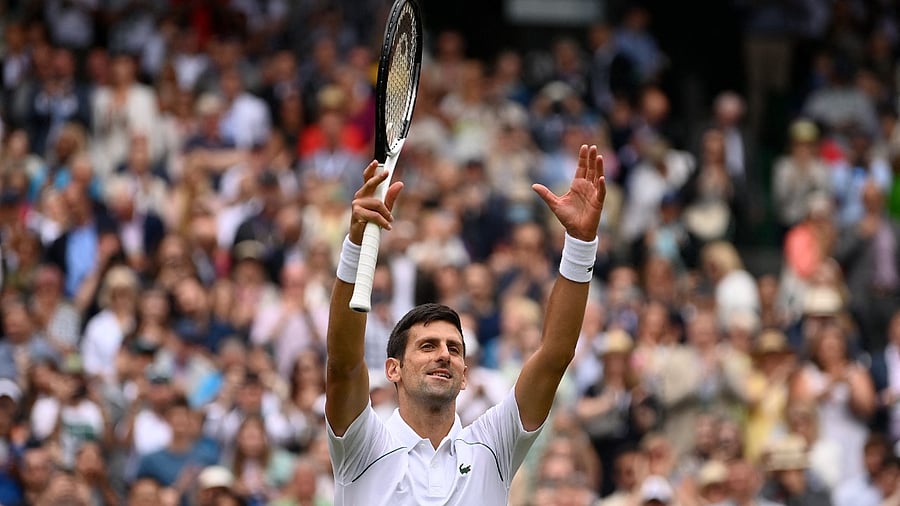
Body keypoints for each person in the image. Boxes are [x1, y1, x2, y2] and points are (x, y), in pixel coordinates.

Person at [324, 144, 606, 504]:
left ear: (465, 374)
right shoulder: (363, 444)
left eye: (454, 349)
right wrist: (357, 245)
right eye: (428, 345)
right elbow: (343, 363)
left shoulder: (492, 446)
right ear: (392, 369)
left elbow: (554, 355)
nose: (444, 354)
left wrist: (581, 244)